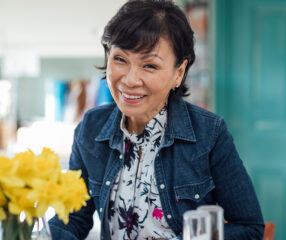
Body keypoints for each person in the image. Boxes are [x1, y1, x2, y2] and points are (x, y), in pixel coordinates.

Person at [49, 0, 264, 239]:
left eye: (149, 65)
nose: (130, 80)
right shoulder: (91, 128)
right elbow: (71, 217)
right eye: (120, 59)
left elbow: (249, 227)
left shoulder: (209, 133)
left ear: (178, 73)